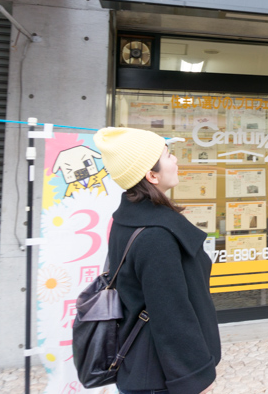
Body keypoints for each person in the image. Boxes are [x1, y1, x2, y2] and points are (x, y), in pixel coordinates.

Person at [94, 127, 221, 394]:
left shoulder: (127, 219)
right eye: (168, 155)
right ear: (152, 175)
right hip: (160, 376)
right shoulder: (157, 235)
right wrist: (194, 379)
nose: (175, 159)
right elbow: (172, 315)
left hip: (140, 365)